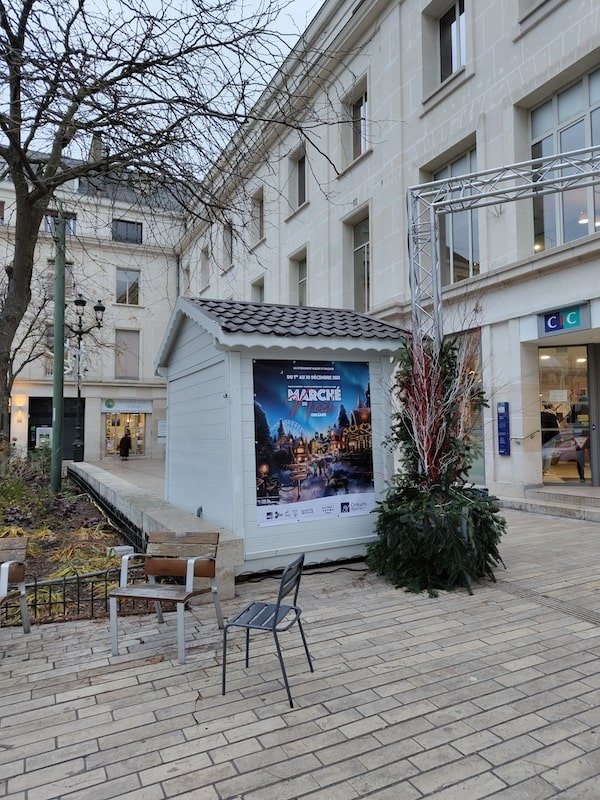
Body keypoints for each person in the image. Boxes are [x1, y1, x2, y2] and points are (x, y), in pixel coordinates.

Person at [540, 403, 560, 473]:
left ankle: (541, 468)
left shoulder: (540, 415)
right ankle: (547, 469)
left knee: (542, 452)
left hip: (541, 437)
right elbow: (556, 427)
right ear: (551, 407)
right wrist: (558, 437)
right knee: (548, 453)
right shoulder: (552, 416)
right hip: (551, 437)